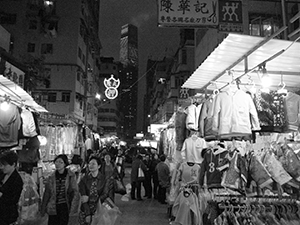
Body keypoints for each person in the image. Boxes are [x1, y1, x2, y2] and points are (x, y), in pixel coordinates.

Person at [41, 154, 79, 225]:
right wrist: (43, 208)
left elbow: (75, 192)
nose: (58, 164)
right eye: (56, 162)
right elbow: (47, 193)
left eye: (61, 162)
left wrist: (73, 209)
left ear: (65, 164)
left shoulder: (71, 176)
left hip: (65, 206)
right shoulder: (51, 177)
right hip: (53, 206)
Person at [78, 155, 108, 225]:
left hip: (99, 210)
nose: (90, 165)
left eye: (93, 164)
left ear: (99, 166)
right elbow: (83, 198)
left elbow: (105, 195)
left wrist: (90, 199)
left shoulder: (104, 179)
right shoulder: (84, 179)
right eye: (89, 163)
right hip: (85, 211)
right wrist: (88, 214)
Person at [0, 151, 23, 225]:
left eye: (5, 165)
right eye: (1, 165)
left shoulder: (17, 180)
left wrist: (2, 195)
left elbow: (13, 200)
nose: (2, 167)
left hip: (7, 215)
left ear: (13, 164)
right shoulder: (2, 174)